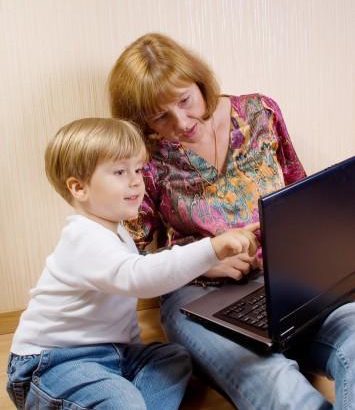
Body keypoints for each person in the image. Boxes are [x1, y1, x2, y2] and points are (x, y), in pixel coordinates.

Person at [108, 33, 355, 409]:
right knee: (274, 382)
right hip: (198, 295)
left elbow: (297, 192)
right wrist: (205, 255)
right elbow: (130, 258)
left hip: (289, 279)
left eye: (185, 100)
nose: (181, 121)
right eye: (160, 116)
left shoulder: (260, 113)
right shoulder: (144, 157)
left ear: (199, 81)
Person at [7, 117, 259, 410]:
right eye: (119, 171)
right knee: (122, 400)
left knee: (172, 358)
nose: (136, 181)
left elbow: (142, 269)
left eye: (138, 169)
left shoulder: (115, 232)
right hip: (54, 361)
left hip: (114, 354)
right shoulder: (83, 237)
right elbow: (139, 277)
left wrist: (205, 265)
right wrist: (211, 249)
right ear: (79, 188)